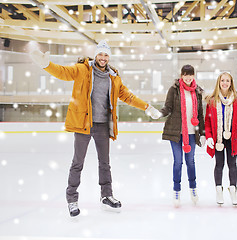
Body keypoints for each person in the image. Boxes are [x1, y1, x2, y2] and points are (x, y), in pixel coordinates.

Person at [29, 40, 161, 217]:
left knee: (105, 164)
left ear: (109, 57)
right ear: (96, 55)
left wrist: (147, 107)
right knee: (78, 163)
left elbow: (128, 96)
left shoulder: (114, 77)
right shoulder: (83, 69)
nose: (103, 58)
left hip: (103, 126)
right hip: (84, 125)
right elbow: (63, 73)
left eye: (106, 55)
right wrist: (46, 65)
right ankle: (72, 199)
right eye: (100, 54)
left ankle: (106, 196)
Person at [160, 65, 205, 207]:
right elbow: (168, 107)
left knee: (190, 162)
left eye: (190, 74)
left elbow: (200, 114)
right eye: (185, 74)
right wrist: (159, 113)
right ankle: (176, 190)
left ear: (193, 75)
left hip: (192, 133)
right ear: (181, 75)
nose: (188, 77)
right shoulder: (174, 90)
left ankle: (193, 188)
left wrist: (202, 133)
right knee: (178, 162)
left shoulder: (197, 91)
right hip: (176, 132)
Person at [205, 72, 237, 206]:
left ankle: (233, 190)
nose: (225, 83)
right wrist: (208, 137)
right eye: (222, 80)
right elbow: (207, 122)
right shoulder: (212, 101)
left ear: (231, 83)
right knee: (219, 165)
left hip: (232, 138)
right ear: (219, 82)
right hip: (218, 138)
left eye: (228, 81)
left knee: (232, 164)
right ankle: (219, 190)